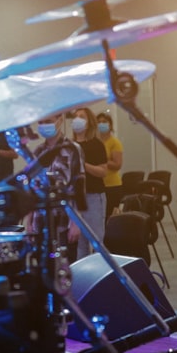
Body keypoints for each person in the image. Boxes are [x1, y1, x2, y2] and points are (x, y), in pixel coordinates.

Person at [25, 111, 86, 254]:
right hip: (40, 221)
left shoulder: (72, 149)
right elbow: (32, 188)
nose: (44, 126)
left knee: (66, 267)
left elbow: (79, 186)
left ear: (60, 120)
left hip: (64, 220)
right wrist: (28, 221)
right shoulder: (38, 151)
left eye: (48, 121)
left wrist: (76, 222)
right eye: (41, 123)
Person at [70, 107, 108, 259]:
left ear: (89, 122)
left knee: (97, 242)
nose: (77, 119)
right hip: (76, 198)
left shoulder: (96, 144)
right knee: (81, 243)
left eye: (82, 117)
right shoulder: (71, 145)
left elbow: (103, 172)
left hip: (93, 196)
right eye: (76, 116)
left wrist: (83, 165)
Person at [97, 112, 124, 216]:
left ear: (110, 125)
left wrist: (102, 160)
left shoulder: (114, 142)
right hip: (99, 185)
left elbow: (117, 164)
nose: (101, 124)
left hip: (112, 186)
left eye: (104, 122)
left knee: (109, 216)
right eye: (99, 122)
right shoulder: (96, 142)